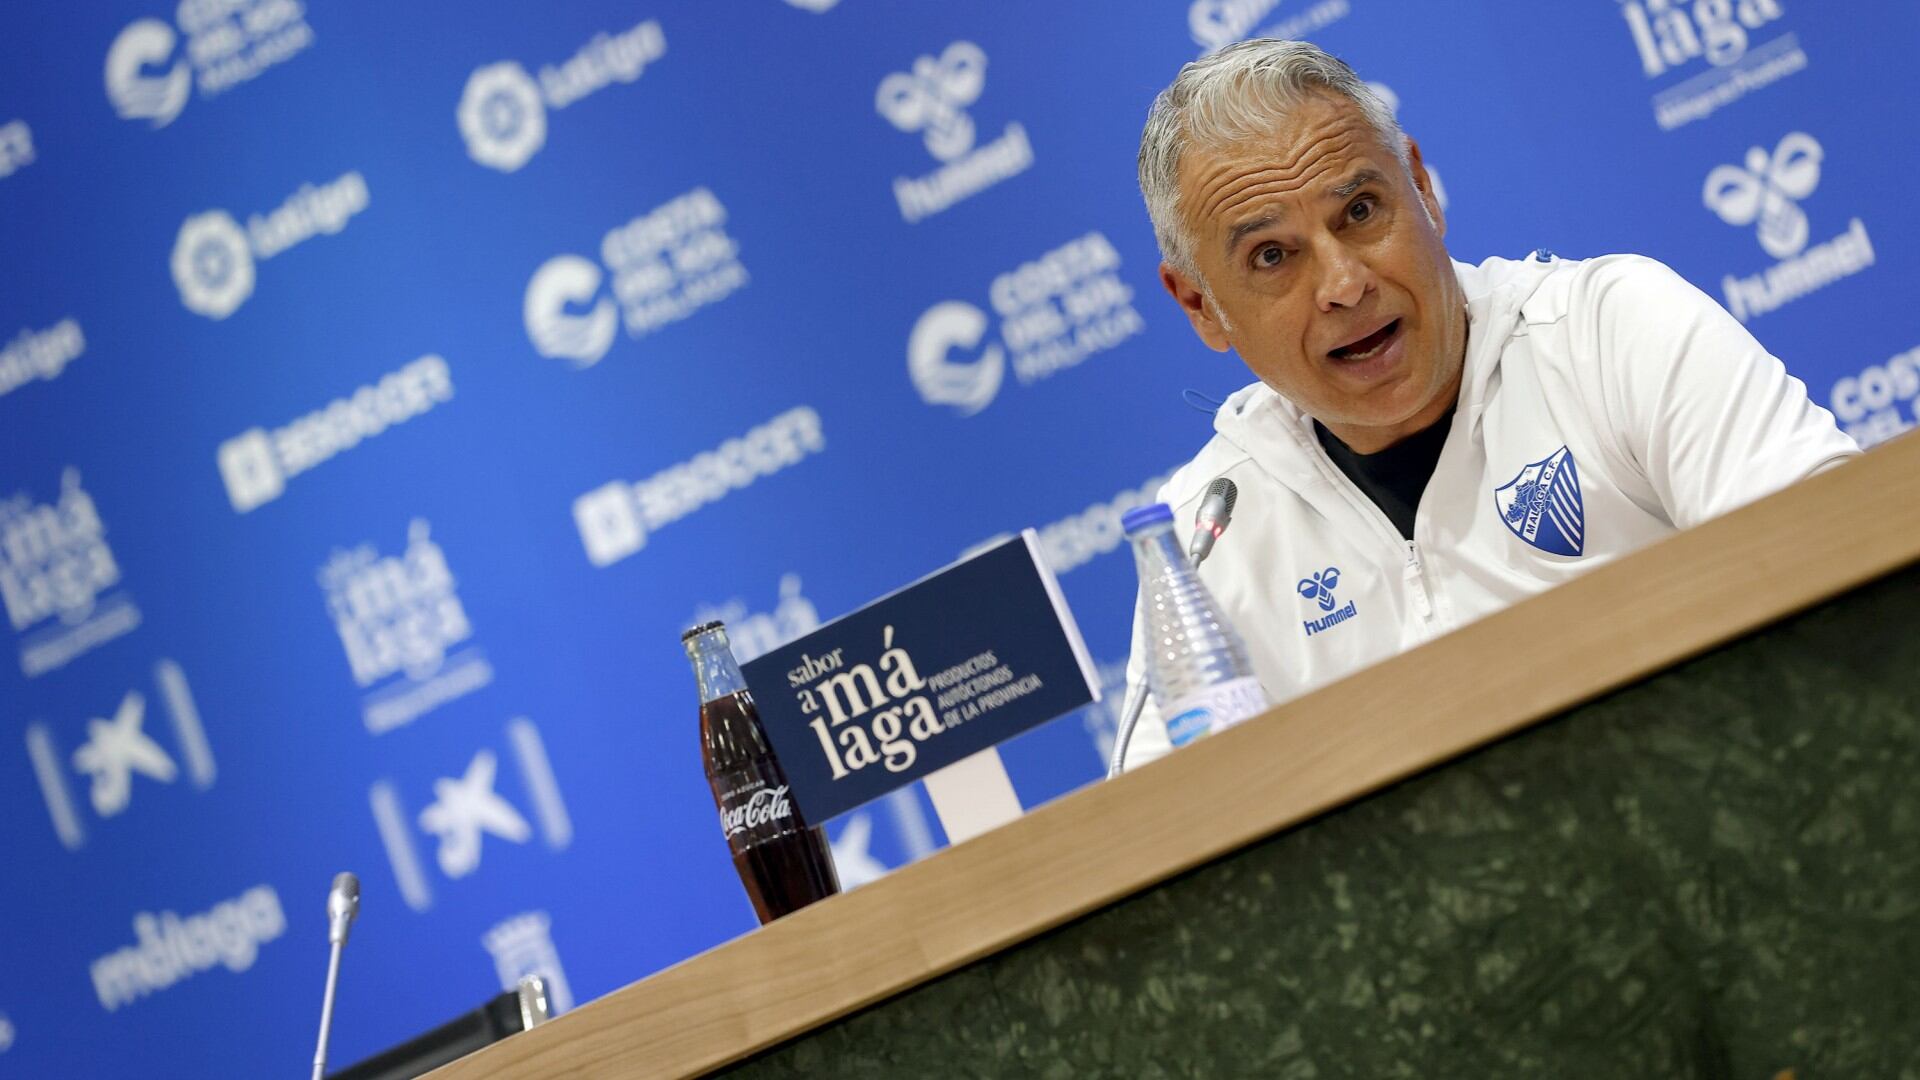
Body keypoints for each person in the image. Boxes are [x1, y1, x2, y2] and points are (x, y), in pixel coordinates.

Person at [1117, 39, 1858, 772]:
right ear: (1199, 305)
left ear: (1422, 188)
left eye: (1361, 210)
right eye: (1272, 256)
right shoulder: (1208, 530)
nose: (1343, 282)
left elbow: (1849, 564)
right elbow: (1153, 828)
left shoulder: (1609, 333)